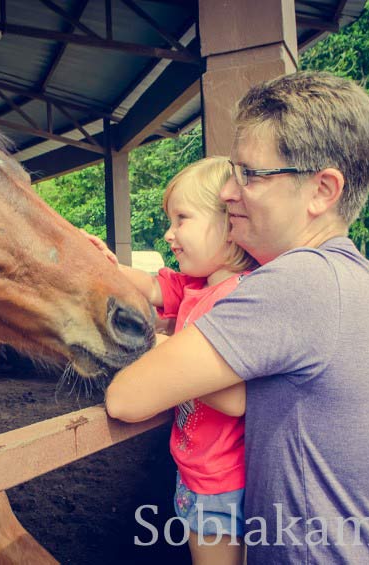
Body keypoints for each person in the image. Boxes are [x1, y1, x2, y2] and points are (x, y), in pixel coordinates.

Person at [105, 71, 369, 563]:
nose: (230, 193)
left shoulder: (299, 282)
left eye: (251, 175)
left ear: (322, 191)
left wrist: (155, 343)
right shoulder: (356, 275)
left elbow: (127, 397)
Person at [88, 157, 256, 564]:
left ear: (229, 223)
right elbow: (147, 285)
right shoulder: (195, 286)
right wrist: (97, 262)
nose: (169, 233)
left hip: (221, 479)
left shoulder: (239, 295)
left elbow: (236, 398)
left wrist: (165, 351)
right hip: (195, 469)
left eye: (182, 218)